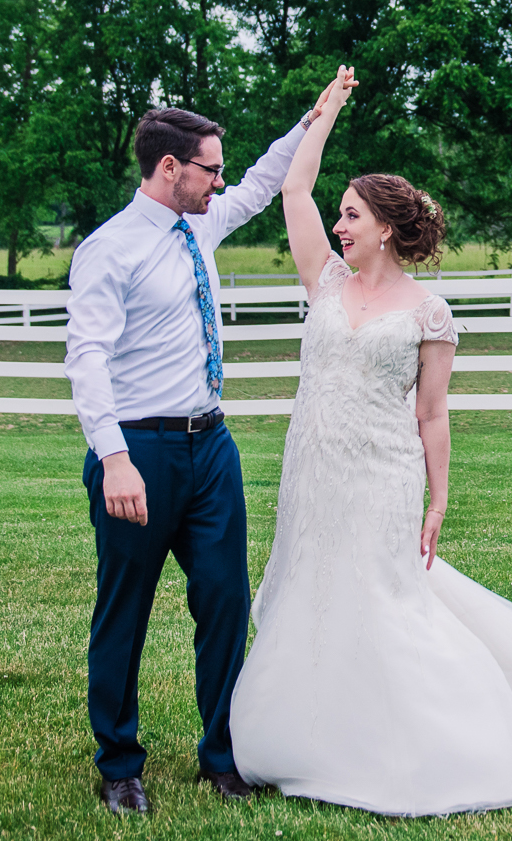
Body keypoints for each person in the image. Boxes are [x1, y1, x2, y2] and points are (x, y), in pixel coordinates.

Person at [230, 65, 512, 815]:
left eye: (353, 216)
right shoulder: (325, 282)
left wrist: (440, 498)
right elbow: (292, 191)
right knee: (312, 592)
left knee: (383, 599)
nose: (339, 225)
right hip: (312, 471)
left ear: (388, 229)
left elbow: (432, 414)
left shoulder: (430, 313)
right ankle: (310, 737)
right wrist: (324, 113)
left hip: (383, 474)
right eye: (340, 215)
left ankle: (430, 739)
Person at [65, 92, 334, 816]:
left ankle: (223, 756)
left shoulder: (199, 223)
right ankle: (119, 763)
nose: (221, 181)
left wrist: (309, 122)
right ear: (168, 167)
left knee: (223, 599)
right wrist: (113, 457)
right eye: (209, 170)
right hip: (139, 449)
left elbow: (256, 188)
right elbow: (87, 357)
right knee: (126, 609)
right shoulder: (109, 248)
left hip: (210, 444)